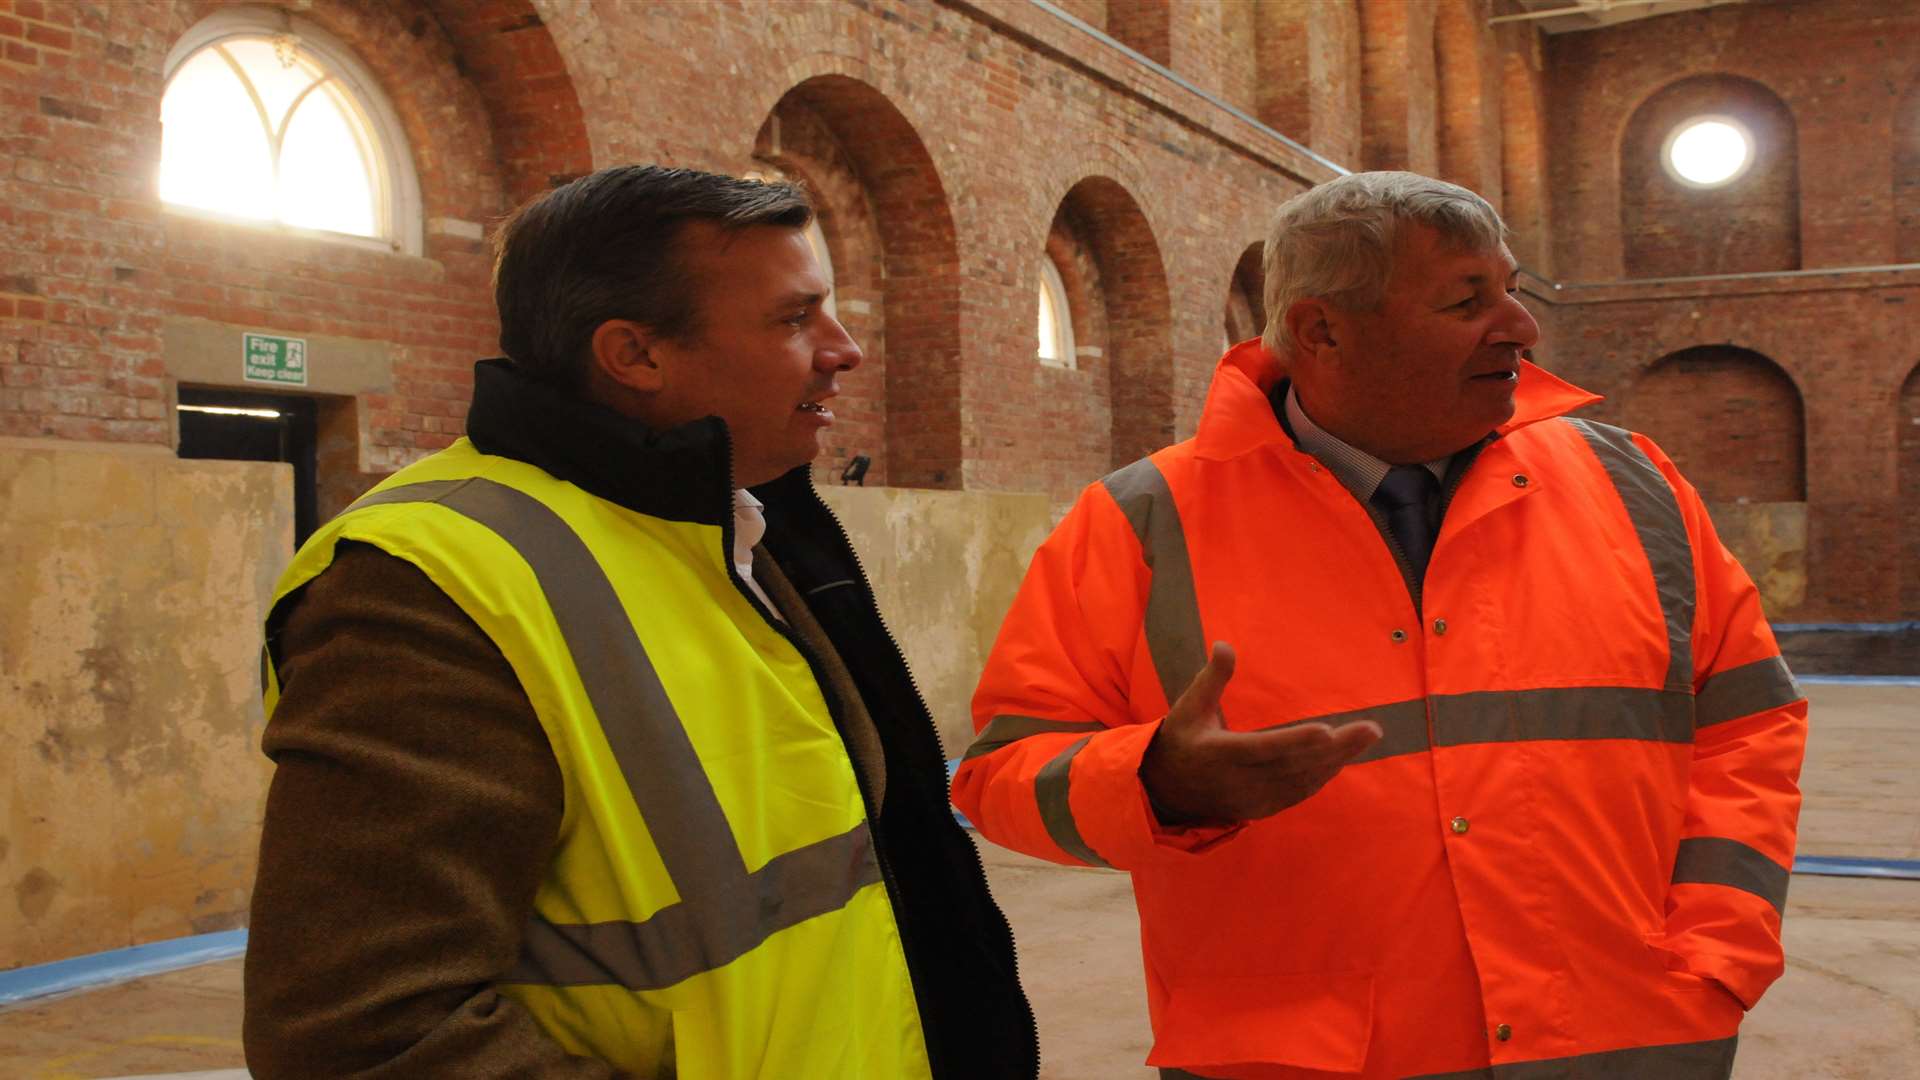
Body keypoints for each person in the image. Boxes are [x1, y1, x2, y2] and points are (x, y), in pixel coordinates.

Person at [952, 171, 1805, 1080]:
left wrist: (1719, 950)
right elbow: (1001, 774)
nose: (1520, 326)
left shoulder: (1634, 485)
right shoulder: (1141, 524)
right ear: (1323, 329)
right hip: (1308, 1060)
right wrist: (1156, 783)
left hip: (1628, 1044)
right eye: (1466, 300)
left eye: (1509, 287)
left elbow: (1749, 724)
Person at [245, 165, 1036, 1079]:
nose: (844, 348)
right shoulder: (424, 586)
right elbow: (359, 1037)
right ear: (635, 355)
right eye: (794, 318)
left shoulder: (736, 524)